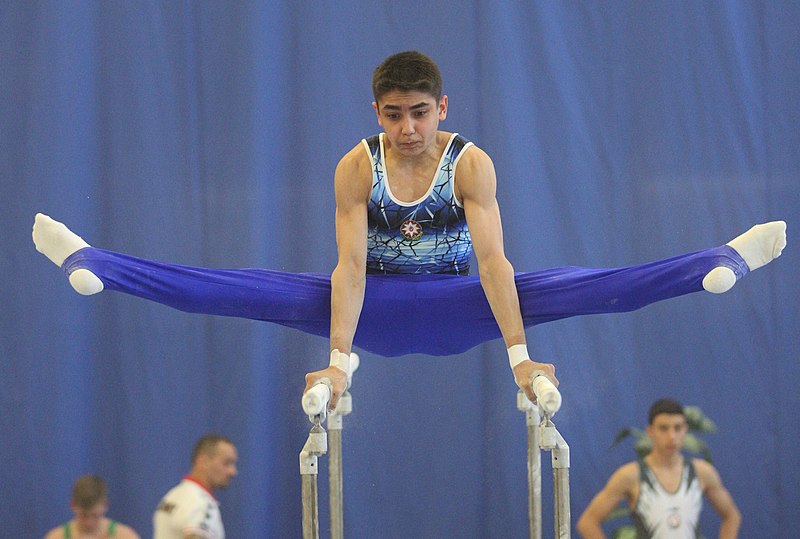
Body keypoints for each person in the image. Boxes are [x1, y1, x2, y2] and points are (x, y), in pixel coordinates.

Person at [30, 53, 786, 394]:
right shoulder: (357, 166)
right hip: (373, 309)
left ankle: (719, 260)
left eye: (419, 113)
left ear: (442, 108)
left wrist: (519, 357)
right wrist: (339, 358)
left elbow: (492, 265)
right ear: (377, 113)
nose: (407, 128)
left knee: (577, 286)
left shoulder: (472, 164)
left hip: (464, 302)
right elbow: (351, 268)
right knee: (246, 288)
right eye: (393, 114)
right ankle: (94, 263)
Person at [576, 398, 741, 538]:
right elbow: (587, 522)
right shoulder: (630, 475)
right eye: (663, 428)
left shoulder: (702, 473)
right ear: (650, 431)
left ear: (685, 430)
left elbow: (731, 516)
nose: (672, 436)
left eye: (677, 428)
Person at [153, 434, 238, 539]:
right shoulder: (203, 505)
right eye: (226, 463)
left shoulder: (170, 497)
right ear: (203, 461)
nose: (233, 472)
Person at [43, 474, 140, 539]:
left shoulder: (125, 536)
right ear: (72, 505)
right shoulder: (56, 536)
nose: (89, 523)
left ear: (106, 505)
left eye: (95, 515)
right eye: (83, 515)